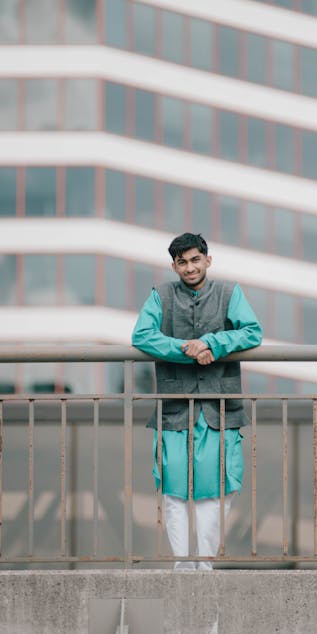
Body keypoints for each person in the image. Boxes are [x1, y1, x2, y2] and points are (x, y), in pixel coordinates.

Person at [131, 232, 262, 570]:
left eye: (195, 260)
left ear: (207, 260)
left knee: (218, 489)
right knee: (173, 489)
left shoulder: (230, 293)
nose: (189, 267)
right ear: (173, 265)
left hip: (220, 408)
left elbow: (252, 332)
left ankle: (204, 562)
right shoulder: (160, 295)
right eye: (182, 262)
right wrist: (186, 350)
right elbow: (142, 336)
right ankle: (182, 563)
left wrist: (211, 343)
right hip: (175, 408)